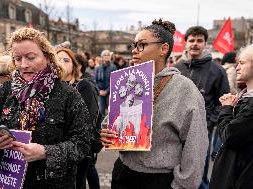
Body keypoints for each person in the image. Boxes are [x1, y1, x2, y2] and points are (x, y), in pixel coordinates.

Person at [0, 28, 93, 189]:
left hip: (52, 184)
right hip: (6, 180)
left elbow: (83, 142)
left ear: (48, 57)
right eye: (17, 59)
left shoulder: (68, 94)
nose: (23, 65)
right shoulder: (6, 90)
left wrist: (45, 152)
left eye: (31, 57)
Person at [101, 19, 208, 189]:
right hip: (123, 172)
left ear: (163, 49)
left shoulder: (185, 90)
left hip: (158, 179)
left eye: (142, 45)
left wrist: (182, 185)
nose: (135, 51)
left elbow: (196, 146)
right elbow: (112, 121)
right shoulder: (128, 80)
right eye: (134, 45)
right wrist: (108, 131)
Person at [174, 26, 230, 189]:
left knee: (199, 178)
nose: (195, 44)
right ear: (185, 43)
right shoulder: (176, 69)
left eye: (199, 41)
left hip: (201, 133)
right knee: (175, 175)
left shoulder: (217, 71)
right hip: (176, 132)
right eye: (191, 40)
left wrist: (209, 123)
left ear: (205, 43)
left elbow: (223, 101)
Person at [55, 47, 100, 189]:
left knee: (77, 183)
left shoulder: (83, 85)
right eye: (57, 60)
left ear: (74, 66)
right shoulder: (53, 88)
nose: (61, 63)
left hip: (78, 149)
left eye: (66, 60)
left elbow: (88, 118)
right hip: (56, 150)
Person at [209, 45, 253, 189]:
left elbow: (230, 135)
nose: (237, 67)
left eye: (242, 63)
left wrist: (227, 107)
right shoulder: (245, 97)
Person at [95, 50, 117, 117]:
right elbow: (95, 81)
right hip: (101, 92)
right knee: (101, 110)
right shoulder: (98, 68)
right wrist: (99, 91)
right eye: (105, 55)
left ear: (110, 57)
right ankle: (102, 126)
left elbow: (114, 81)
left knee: (111, 110)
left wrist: (107, 91)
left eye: (108, 55)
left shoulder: (113, 67)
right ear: (102, 57)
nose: (106, 56)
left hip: (110, 92)